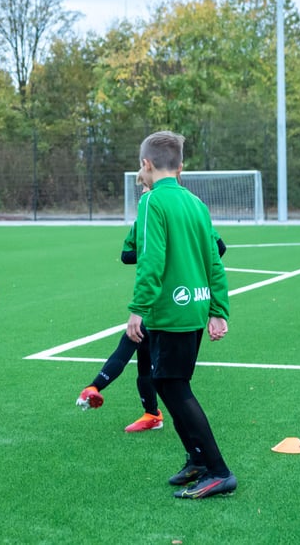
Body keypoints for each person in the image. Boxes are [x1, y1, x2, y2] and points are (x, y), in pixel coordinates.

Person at [125, 131, 235, 499]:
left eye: (140, 167)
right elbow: (214, 261)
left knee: (174, 386)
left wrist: (138, 308)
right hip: (195, 307)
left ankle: (218, 470)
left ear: (146, 164)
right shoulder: (195, 203)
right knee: (167, 382)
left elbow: (151, 261)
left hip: (170, 311)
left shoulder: (152, 202)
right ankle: (198, 461)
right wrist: (218, 310)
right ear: (181, 167)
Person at [77, 175, 227, 433]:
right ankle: (151, 413)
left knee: (153, 365)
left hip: (171, 303)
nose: (145, 193)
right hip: (156, 298)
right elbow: (126, 255)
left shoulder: (185, 209)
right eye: (144, 189)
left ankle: (98, 389)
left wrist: (175, 255)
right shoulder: (144, 219)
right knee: (143, 360)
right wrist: (153, 251)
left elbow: (219, 248)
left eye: (147, 187)